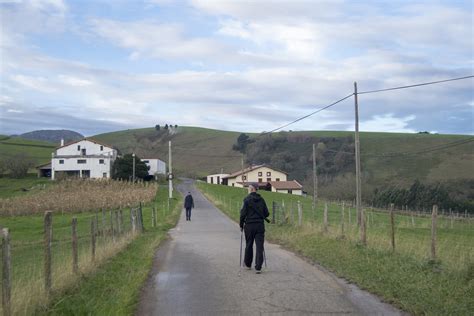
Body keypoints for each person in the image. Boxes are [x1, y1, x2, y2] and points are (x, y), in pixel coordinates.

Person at [240, 183, 270, 274]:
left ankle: (248, 264)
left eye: (249, 188)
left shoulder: (246, 200)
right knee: (259, 246)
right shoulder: (261, 200)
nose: (248, 189)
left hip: (249, 225)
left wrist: (241, 225)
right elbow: (267, 213)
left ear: (252, 189)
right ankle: (258, 267)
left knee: (249, 244)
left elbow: (242, 214)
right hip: (260, 225)